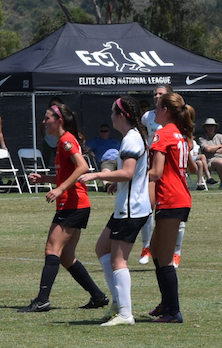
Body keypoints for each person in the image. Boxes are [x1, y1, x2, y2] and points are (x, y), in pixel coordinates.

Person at [21, 102, 108, 313]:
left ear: (59, 120)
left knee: (52, 249)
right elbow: (67, 174)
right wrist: (45, 179)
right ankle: (98, 296)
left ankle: (42, 300)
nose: (44, 121)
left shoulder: (67, 141)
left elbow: (83, 167)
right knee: (67, 256)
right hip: (76, 205)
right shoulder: (63, 141)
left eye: (47, 117)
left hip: (72, 205)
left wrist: (60, 189)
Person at [78, 96, 151, 326]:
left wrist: (98, 174)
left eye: (112, 113)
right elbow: (130, 174)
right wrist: (114, 183)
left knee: (118, 260)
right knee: (102, 248)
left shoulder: (132, 139)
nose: (110, 117)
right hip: (127, 206)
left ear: (121, 116)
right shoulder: (133, 137)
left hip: (132, 209)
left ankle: (125, 313)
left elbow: (128, 173)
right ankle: (119, 303)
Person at [146, 92, 195, 323]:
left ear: (165, 110)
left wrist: (129, 179)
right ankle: (166, 304)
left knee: (164, 258)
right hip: (179, 197)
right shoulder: (180, 134)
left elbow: (155, 172)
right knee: (156, 250)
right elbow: (190, 168)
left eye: (157, 108)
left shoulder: (163, 134)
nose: (155, 112)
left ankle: (174, 311)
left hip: (171, 199)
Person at [197, 118, 222, 189]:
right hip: (210, 160)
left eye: (212, 126)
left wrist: (215, 149)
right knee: (220, 162)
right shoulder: (202, 138)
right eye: (208, 126)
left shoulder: (219, 136)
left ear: (215, 127)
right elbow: (208, 149)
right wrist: (220, 146)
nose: (210, 128)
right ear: (205, 127)